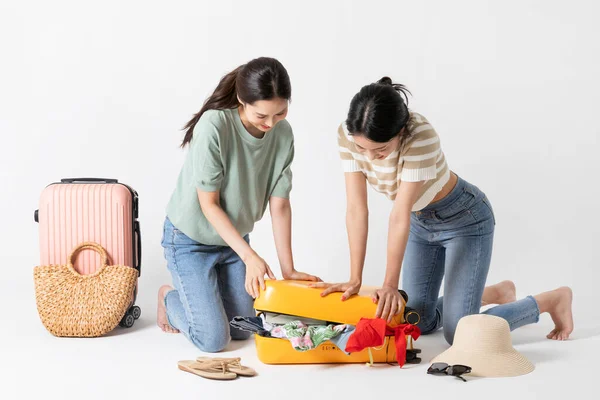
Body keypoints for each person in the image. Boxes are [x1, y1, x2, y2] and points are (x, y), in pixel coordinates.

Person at [311, 77, 573, 344]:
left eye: (380, 150)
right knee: (416, 321)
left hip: (464, 220)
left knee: (459, 334)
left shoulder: (420, 135)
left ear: (400, 132)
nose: (368, 157)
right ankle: (496, 292)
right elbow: (356, 208)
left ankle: (549, 301)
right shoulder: (347, 134)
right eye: (361, 148)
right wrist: (355, 278)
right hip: (420, 223)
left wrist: (390, 285)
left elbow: (399, 213)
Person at [157, 57, 320, 352]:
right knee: (213, 339)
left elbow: (280, 205)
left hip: (232, 243)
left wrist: (289, 269)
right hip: (189, 241)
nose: (271, 124)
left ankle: (210, 293)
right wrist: (250, 257)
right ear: (242, 101)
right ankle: (170, 299)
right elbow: (209, 205)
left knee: (243, 330)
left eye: (280, 112)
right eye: (262, 116)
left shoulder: (283, 134)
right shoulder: (214, 125)